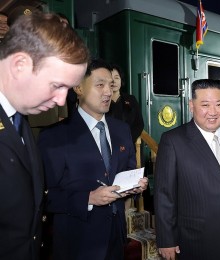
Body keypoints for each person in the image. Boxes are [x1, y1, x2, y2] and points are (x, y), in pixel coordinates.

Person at [38, 59, 148, 260]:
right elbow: (46, 198)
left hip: (116, 238)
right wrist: (89, 198)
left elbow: (126, 172)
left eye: (110, 85)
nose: (108, 91)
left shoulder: (122, 130)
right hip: (77, 242)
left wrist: (135, 185)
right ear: (78, 88)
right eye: (100, 85)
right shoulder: (54, 137)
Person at [0, 12, 89, 260]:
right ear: (20, 65)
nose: (62, 100)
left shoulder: (19, 120)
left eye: (68, 89)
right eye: (57, 85)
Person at [154, 79, 220, 260]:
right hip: (199, 240)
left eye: (219, 104)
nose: (213, 112)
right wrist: (166, 240)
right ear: (191, 105)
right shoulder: (173, 141)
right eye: (205, 105)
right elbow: (165, 195)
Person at [107, 63, 144, 145]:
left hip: (128, 146)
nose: (114, 81)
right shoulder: (102, 101)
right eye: (110, 78)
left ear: (121, 80)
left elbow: (139, 124)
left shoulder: (131, 99)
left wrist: (128, 140)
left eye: (117, 77)